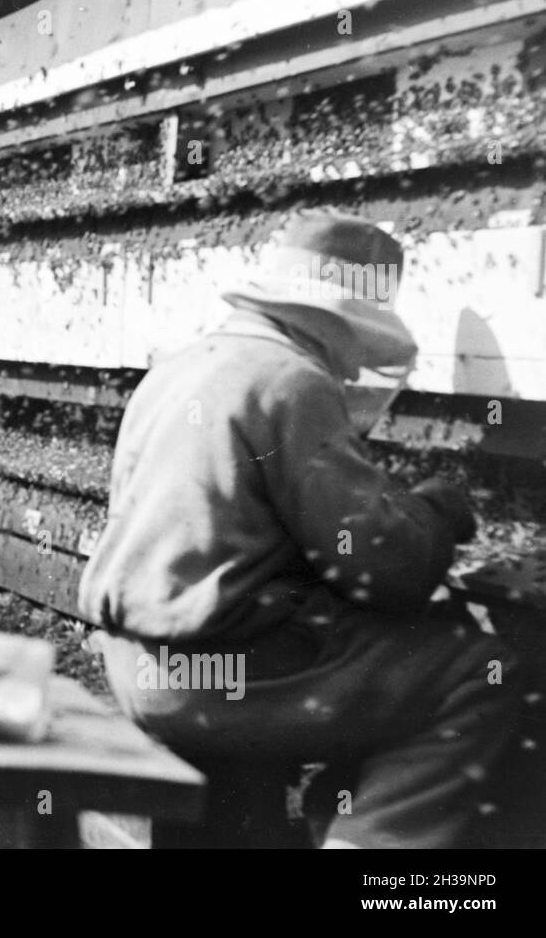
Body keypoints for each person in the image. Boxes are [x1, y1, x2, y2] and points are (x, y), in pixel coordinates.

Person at [78, 211, 521, 849]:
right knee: (474, 673)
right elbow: (383, 569)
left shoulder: (180, 368)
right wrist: (438, 512)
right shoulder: (293, 382)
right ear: (337, 321)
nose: (352, 369)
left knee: (371, 663)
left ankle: (317, 820)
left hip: (137, 664)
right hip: (218, 674)